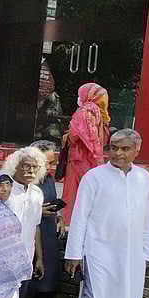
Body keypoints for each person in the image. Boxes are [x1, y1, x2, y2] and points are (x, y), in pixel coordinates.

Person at [61, 129, 149, 298]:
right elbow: (80, 217)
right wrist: (74, 253)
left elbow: (148, 217)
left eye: (125, 149)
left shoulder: (144, 178)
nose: (118, 153)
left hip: (130, 252)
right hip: (98, 249)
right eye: (114, 147)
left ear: (137, 150)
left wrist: (147, 250)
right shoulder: (95, 177)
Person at [0, 146, 47, 298]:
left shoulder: (37, 193)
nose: (29, 171)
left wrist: (39, 258)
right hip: (3, 259)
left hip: (25, 259)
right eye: (25, 166)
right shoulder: (6, 191)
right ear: (15, 167)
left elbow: (35, 226)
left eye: (34, 167)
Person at [22, 140, 64, 298]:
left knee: (50, 286)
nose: (49, 168)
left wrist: (59, 217)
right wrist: (40, 212)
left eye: (51, 163)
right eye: (45, 163)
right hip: (31, 234)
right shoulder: (26, 181)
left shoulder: (47, 180)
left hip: (48, 234)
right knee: (28, 288)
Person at [60, 83, 111, 223]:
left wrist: (66, 136)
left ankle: (69, 222)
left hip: (78, 157)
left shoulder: (86, 110)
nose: (78, 98)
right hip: (92, 158)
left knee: (73, 193)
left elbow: (76, 135)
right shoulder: (101, 112)